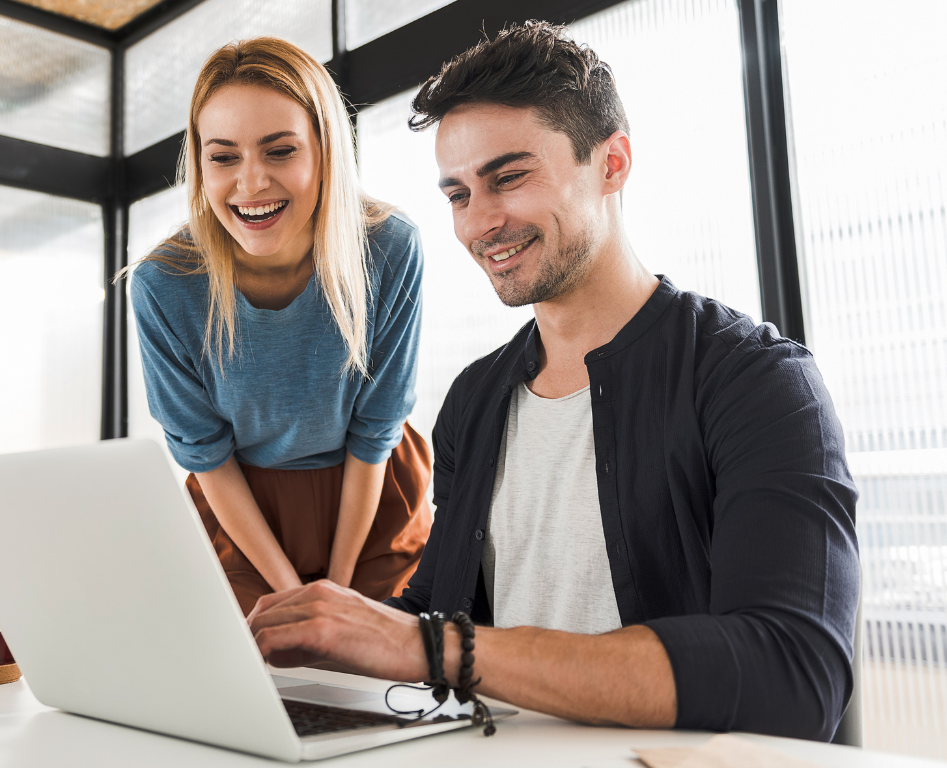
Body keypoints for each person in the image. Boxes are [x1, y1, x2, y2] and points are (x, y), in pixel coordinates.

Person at [248, 22, 860, 741]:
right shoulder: (477, 398)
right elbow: (437, 614)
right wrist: (318, 639)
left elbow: (791, 675)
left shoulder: (755, 381)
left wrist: (429, 647)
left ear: (613, 163)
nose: (481, 222)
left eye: (509, 178)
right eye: (457, 194)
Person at [130, 37, 431, 616]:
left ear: (324, 151)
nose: (250, 184)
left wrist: (338, 592)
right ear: (199, 164)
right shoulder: (164, 285)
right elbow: (206, 454)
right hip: (243, 511)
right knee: (260, 676)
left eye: (279, 151)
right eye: (223, 157)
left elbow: (376, 431)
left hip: (371, 495)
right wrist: (294, 593)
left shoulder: (391, 248)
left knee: (380, 670)